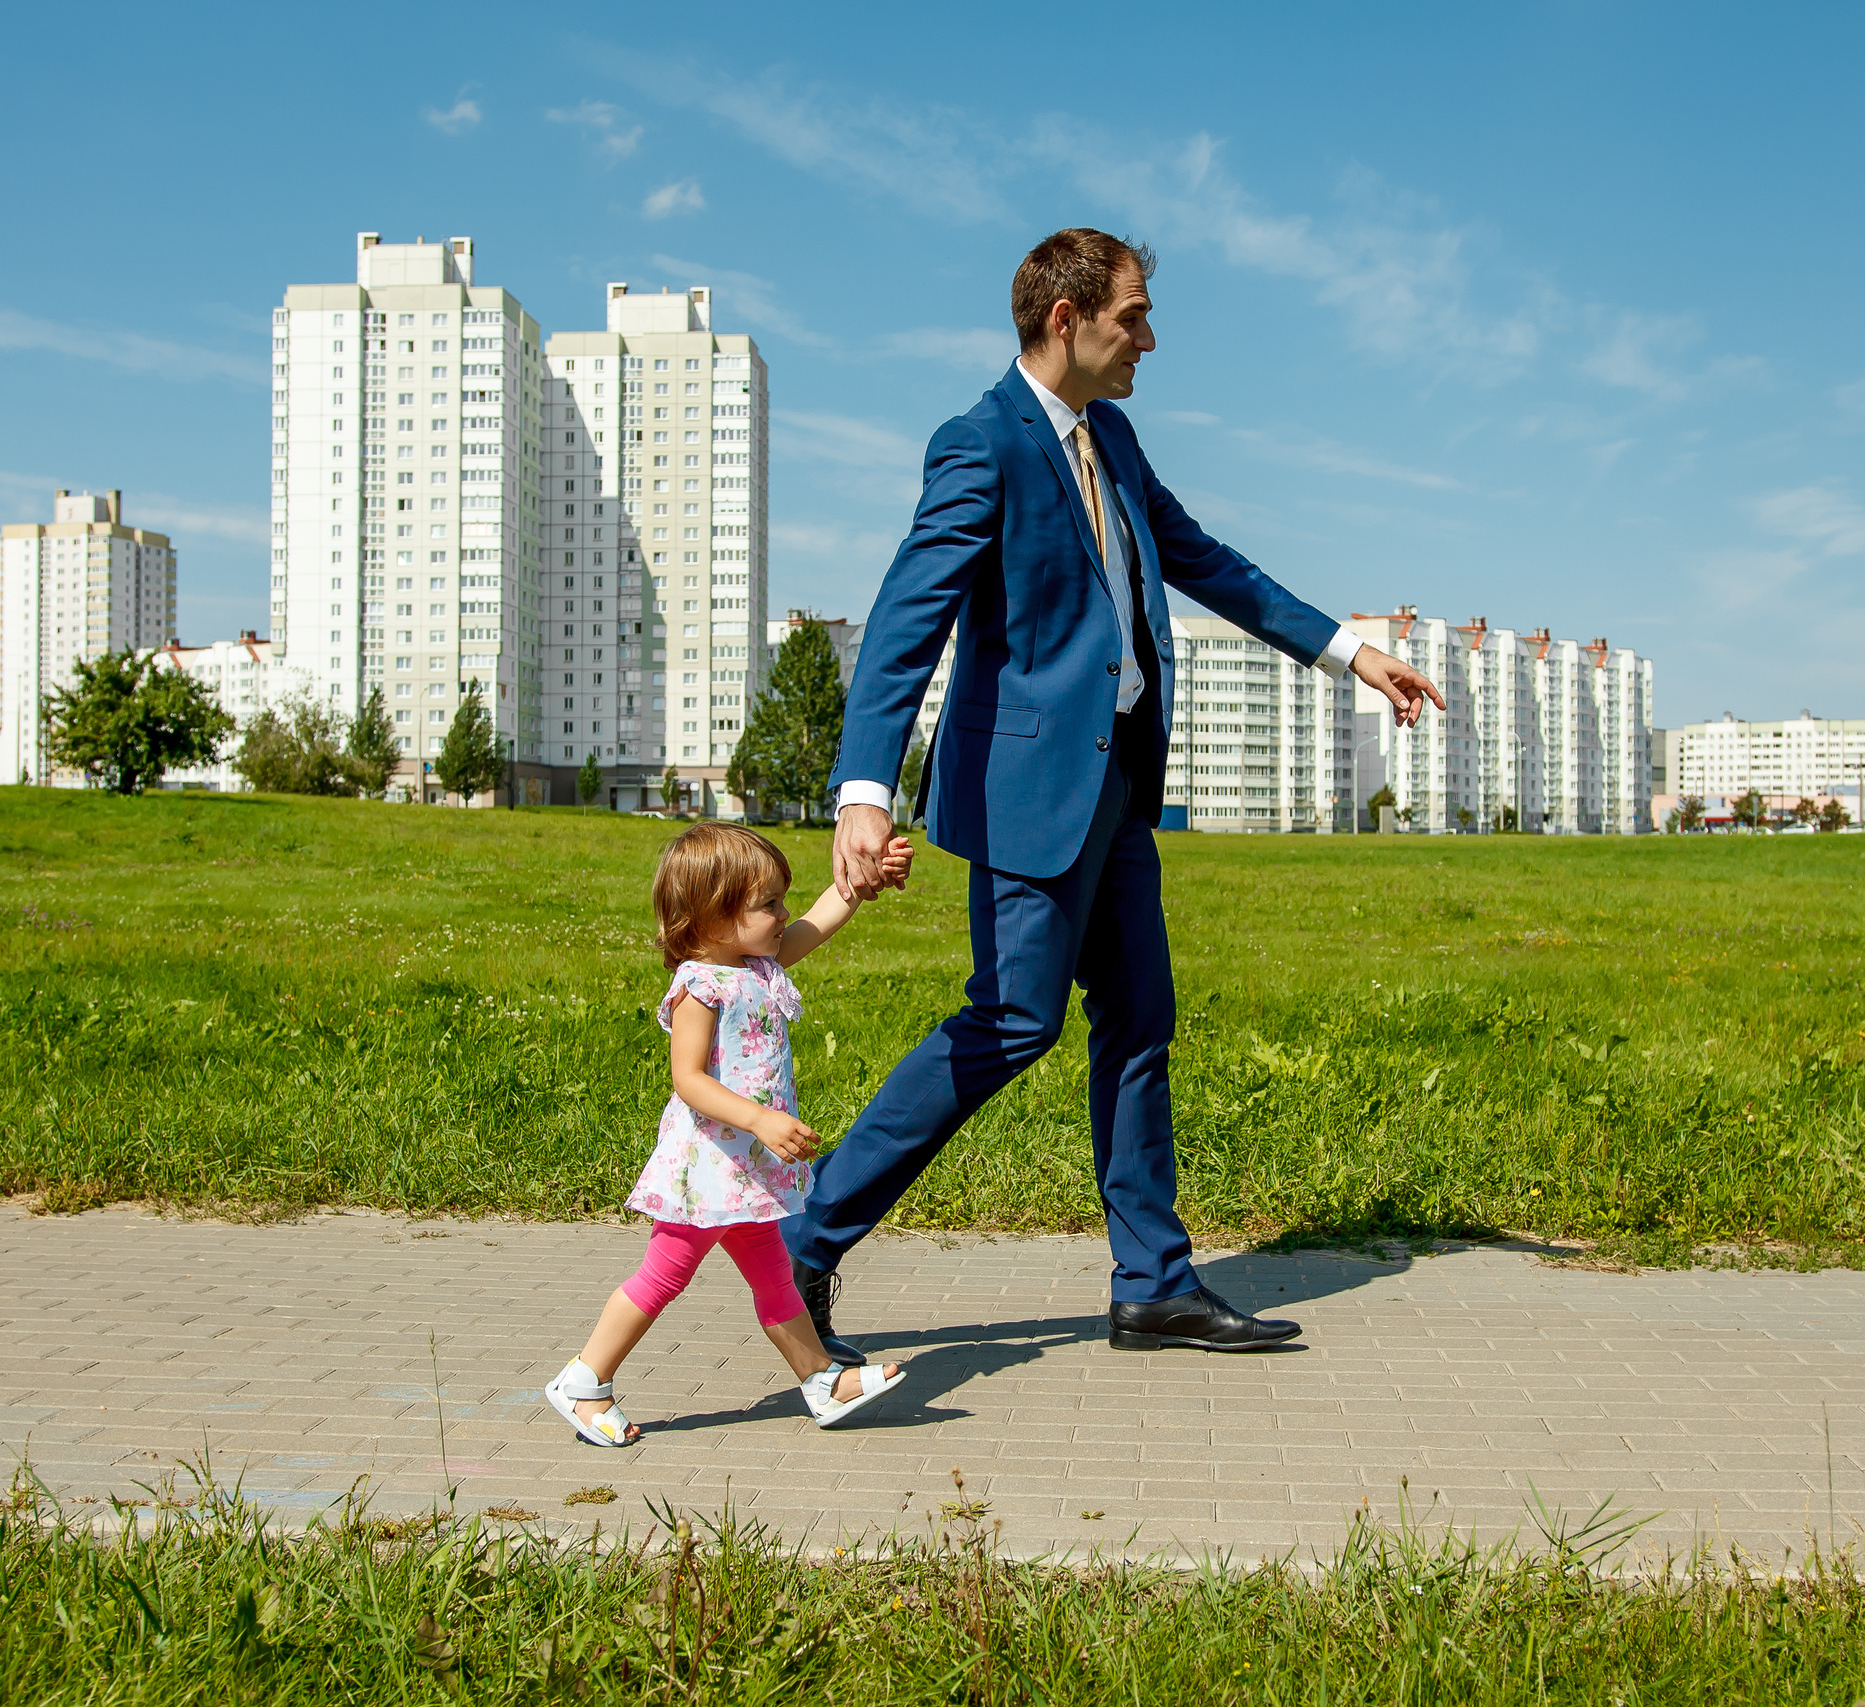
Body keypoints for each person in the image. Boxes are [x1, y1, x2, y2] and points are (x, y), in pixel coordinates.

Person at [781, 228, 1446, 1360]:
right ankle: (803, 1245)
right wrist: (862, 790)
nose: (1149, 336)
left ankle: (1154, 1283)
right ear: (1065, 318)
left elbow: (1203, 558)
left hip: (1118, 785)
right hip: (1023, 789)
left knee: (1139, 1023)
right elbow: (906, 620)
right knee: (1012, 1022)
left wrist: (1346, 651)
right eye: (1132, 315)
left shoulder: (1115, 438)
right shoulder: (981, 444)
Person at [542, 822, 914, 1447]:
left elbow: (819, 921)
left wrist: (863, 878)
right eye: (768, 905)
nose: (783, 914)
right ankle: (583, 1381)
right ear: (712, 918)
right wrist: (760, 1119)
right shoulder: (700, 986)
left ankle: (820, 1381)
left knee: (773, 1276)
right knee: (664, 1275)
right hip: (707, 1166)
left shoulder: (757, 964)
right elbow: (688, 1079)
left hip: (743, 1170)